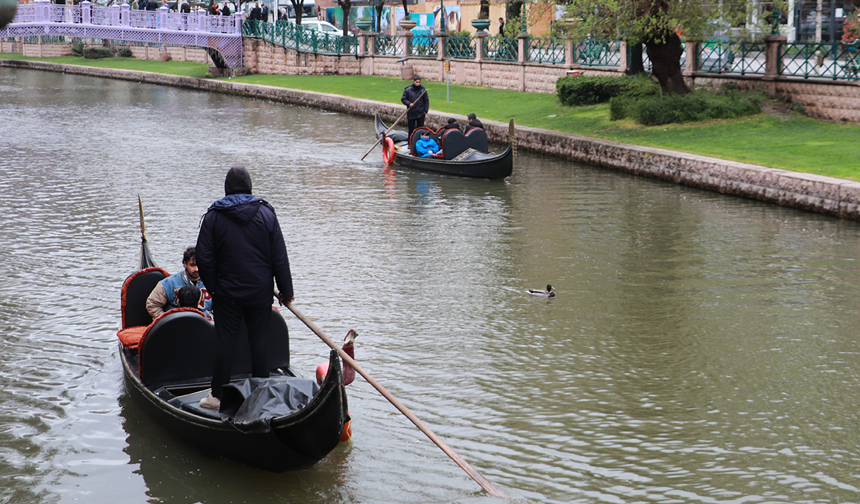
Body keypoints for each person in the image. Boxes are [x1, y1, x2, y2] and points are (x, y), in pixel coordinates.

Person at [196, 166, 294, 410]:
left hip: (227, 294)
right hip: (259, 292)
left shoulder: (213, 216)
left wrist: (215, 287)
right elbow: (279, 257)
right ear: (249, 186)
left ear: (226, 188)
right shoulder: (267, 214)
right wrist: (286, 291)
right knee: (260, 342)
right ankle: (262, 394)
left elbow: (204, 258)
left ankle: (217, 397)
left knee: (225, 344)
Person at [145, 246, 212, 320]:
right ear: (185, 264)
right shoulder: (168, 284)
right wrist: (164, 321)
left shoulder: (213, 283)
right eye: (192, 265)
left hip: (205, 323)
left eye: (199, 265)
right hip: (175, 324)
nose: (196, 269)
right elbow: (152, 304)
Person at [401, 76, 429, 142]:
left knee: (420, 129)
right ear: (413, 82)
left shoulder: (423, 90)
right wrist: (409, 103)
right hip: (411, 113)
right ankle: (410, 143)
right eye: (417, 82)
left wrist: (425, 111)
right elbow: (403, 99)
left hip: (421, 112)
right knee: (411, 129)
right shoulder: (408, 90)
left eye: (419, 82)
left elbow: (426, 100)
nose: (418, 83)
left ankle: (420, 143)